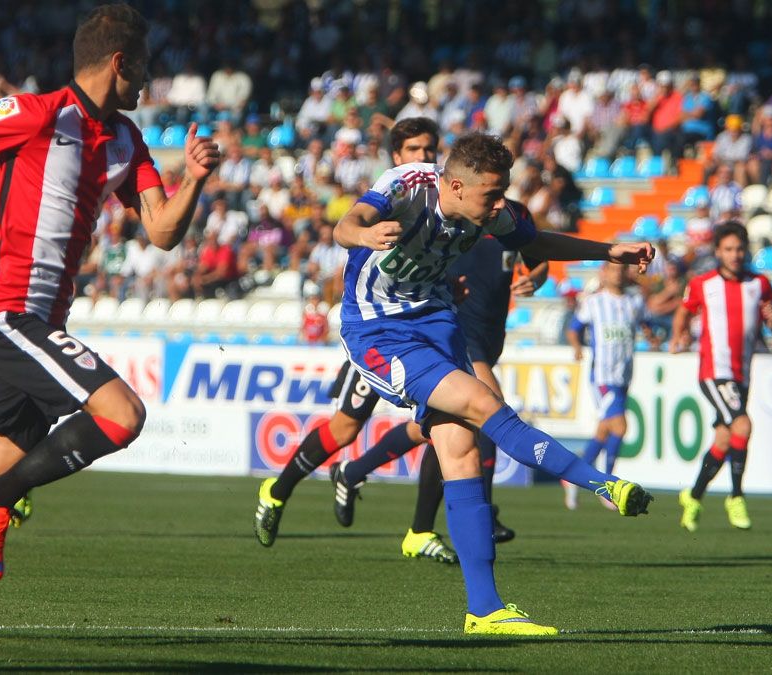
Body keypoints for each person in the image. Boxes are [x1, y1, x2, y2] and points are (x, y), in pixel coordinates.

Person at [0, 4, 220, 640]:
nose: (147, 81)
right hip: (7, 312)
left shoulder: (127, 141)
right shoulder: (37, 113)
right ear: (120, 62)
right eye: (143, 67)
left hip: (40, 320)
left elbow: (162, 230)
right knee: (122, 414)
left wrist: (193, 180)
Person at [330, 132, 655, 636]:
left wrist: (609, 251)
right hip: (380, 331)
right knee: (485, 403)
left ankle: (484, 610)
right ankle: (603, 484)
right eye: (491, 194)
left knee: (460, 449)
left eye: (503, 191)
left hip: (437, 322)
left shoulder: (491, 212)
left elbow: (536, 241)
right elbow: (346, 224)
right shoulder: (405, 185)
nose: (501, 204)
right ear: (455, 185)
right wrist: (363, 235)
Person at [253, 117, 443, 550]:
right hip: (377, 333)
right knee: (343, 430)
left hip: (421, 328)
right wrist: (365, 235)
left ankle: (420, 525)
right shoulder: (389, 199)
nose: (424, 158)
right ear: (397, 158)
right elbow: (348, 234)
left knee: (440, 423)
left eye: (430, 149)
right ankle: (278, 491)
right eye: (414, 150)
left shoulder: (439, 203)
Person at [332, 202, 550, 559]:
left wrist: (537, 277)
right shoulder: (453, 214)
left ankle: (355, 472)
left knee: (433, 430)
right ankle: (485, 514)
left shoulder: (513, 216)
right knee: (490, 415)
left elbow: (538, 254)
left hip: (492, 334)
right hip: (455, 331)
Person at [671, 222, 772, 533]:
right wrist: (678, 336)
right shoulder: (704, 283)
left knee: (724, 438)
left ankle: (692, 496)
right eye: (728, 249)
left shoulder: (759, 284)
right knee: (743, 425)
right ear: (718, 252)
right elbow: (684, 310)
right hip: (714, 371)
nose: (734, 255)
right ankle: (735, 496)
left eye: (739, 249)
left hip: (742, 373)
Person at [563, 262, 646, 510]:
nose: (617, 273)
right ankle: (608, 484)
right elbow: (573, 329)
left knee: (603, 431)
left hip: (623, 376)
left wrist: (652, 334)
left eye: (621, 269)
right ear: (604, 273)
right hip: (602, 377)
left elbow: (644, 325)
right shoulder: (594, 302)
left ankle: (572, 477)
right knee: (620, 427)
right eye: (613, 268)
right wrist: (577, 348)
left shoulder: (634, 302)